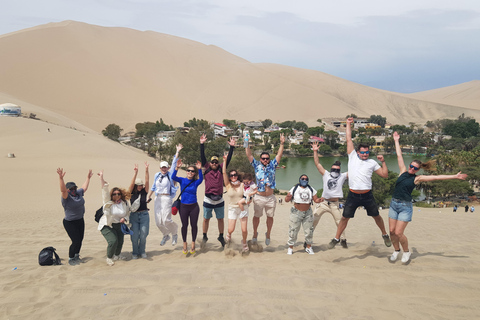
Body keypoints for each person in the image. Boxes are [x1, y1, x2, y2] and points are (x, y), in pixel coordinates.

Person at [389, 131, 468, 263]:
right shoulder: (402, 171)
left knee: (398, 233)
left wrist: (454, 176)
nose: (412, 169)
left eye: (415, 168)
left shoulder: (418, 178)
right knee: (391, 232)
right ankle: (396, 250)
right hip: (393, 204)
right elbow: (399, 155)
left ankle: (406, 252)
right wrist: (396, 140)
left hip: (405, 207)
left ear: (418, 170)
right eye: (411, 166)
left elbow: (436, 177)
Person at [328, 117, 391, 249]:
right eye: (362, 152)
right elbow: (349, 139)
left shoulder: (372, 163)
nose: (365, 154)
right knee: (345, 218)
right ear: (358, 152)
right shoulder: (352, 157)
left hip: (367, 195)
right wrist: (348, 124)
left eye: (367, 152)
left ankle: (384, 234)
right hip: (353, 195)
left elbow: (385, 175)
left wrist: (383, 161)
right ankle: (336, 238)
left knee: (377, 216)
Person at [246, 133, 285, 245]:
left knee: (270, 217)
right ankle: (254, 233)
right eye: (263, 158)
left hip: (270, 197)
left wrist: (282, 143)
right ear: (260, 159)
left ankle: (268, 234)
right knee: (256, 216)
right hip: (259, 196)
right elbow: (249, 155)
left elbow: (279, 155)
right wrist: (246, 143)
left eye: (267, 158)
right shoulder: (256, 165)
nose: (265, 160)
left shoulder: (273, 165)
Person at [97, 170, 140, 266]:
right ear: (111, 195)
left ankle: (117, 255)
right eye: (114, 194)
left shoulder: (124, 203)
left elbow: (126, 213)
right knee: (113, 241)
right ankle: (109, 257)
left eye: (118, 194)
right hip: (107, 225)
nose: (116, 195)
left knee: (120, 241)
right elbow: (104, 190)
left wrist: (124, 219)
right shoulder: (108, 202)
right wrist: (101, 178)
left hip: (119, 225)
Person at [311, 141, 349, 248]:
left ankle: (343, 240)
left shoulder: (342, 176)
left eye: (337, 170)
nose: (335, 171)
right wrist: (315, 151)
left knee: (339, 222)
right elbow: (317, 164)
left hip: (334, 204)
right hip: (323, 202)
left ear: (340, 170)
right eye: (333, 169)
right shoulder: (326, 174)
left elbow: (355, 172)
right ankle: (308, 239)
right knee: (314, 220)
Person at [200, 134, 235, 247]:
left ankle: (220, 236)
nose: (214, 163)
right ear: (210, 163)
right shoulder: (207, 169)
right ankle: (204, 235)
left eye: (216, 162)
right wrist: (202, 144)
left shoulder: (221, 169)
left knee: (220, 219)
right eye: (212, 162)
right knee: (206, 219)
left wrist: (232, 148)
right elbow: (202, 157)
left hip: (219, 199)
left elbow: (228, 160)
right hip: (208, 199)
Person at [148, 144, 182, 247]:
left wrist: (177, 151)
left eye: (165, 167)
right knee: (158, 222)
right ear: (160, 168)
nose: (164, 169)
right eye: (162, 167)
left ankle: (174, 234)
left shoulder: (170, 175)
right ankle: (166, 235)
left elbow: (174, 163)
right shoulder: (157, 175)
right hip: (158, 198)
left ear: (167, 168)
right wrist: (148, 196)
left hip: (167, 198)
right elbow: (154, 186)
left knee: (166, 220)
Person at [57, 168, 93, 266]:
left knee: (80, 240)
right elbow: (63, 190)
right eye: (71, 189)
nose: (73, 190)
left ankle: (77, 255)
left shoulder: (78, 193)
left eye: (74, 188)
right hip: (70, 222)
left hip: (80, 220)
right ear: (68, 189)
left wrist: (88, 178)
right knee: (75, 240)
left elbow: (84, 187)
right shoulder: (66, 198)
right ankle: (71, 258)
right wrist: (61, 178)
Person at [172, 159, 203, 254]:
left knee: (194, 225)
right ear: (186, 172)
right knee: (184, 225)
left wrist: (200, 169)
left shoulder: (195, 182)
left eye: (192, 171)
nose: (190, 172)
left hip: (194, 207)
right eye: (188, 170)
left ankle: (193, 242)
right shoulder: (182, 180)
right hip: (183, 207)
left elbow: (201, 179)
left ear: (194, 173)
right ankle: (184, 243)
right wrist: (177, 168)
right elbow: (173, 176)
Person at [285, 174, 321, 255]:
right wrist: (288, 196)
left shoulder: (311, 189)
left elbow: (316, 200)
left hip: (308, 212)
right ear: (299, 179)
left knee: (309, 231)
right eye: (302, 178)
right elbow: (287, 200)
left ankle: (308, 247)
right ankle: (290, 247)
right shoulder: (295, 188)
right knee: (293, 230)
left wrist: (320, 200)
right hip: (296, 212)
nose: (304, 180)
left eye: (306, 179)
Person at [222, 154, 249, 252]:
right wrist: (225, 161)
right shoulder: (228, 185)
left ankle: (244, 243)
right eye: (232, 175)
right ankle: (228, 235)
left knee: (244, 230)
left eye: (235, 175)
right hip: (232, 208)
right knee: (231, 229)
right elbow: (224, 173)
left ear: (237, 176)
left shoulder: (243, 184)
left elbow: (250, 192)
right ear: (230, 177)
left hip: (243, 208)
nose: (233, 176)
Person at [128, 162, 150, 259]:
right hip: (134, 216)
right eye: (138, 185)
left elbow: (147, 181)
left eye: (141, 185)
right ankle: (135, 253)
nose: (140, 186)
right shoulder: (131, 193)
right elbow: (131, 184)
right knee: (134, 237)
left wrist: (146, 170)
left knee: (143, 235)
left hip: (144, 215)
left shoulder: (145, 192)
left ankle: (142, 251)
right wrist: (135, 173)